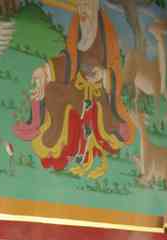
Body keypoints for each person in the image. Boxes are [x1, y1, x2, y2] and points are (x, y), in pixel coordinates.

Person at [13, 0, 133, 178]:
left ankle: (82, 147)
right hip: (77, 82)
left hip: (99, 91)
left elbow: (115, 67)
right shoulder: (78, 23)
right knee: (52, 90)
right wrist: (45, 70)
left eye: (86, 5)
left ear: (94, 5)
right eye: (79, 5)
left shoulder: (107, 31)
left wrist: (105, 74)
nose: (82, 10)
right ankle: (56, 144)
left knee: (89, 108)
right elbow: (70, 58)